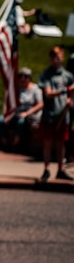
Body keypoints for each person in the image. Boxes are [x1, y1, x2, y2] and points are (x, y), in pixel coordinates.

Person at [38, 46, 74, 181]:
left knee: (61, 143)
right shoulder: (46, 74)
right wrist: (65, 90)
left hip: (63, 115)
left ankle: (61, 169)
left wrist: (70, 100)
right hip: (49, 114)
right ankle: (46, 169)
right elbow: (48, 94)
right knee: (47, 142)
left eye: (58, 56)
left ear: (62, 58)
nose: (55, 59)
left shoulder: (68, 76)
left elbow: (72, 94)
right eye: (53, 56)